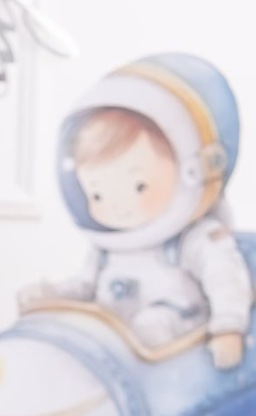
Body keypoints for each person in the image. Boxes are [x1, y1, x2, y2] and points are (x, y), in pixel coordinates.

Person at [19, 53, 252, 368]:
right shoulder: (108, 249)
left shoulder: (195, 240)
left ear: (193, 171)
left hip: (178, 355)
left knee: (151, 325)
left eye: (138, 186)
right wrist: (53, 296)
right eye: (97, 193)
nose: (116, 206)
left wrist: (227, 329)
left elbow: (225, 281)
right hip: (113, 355)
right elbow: (86, 285)